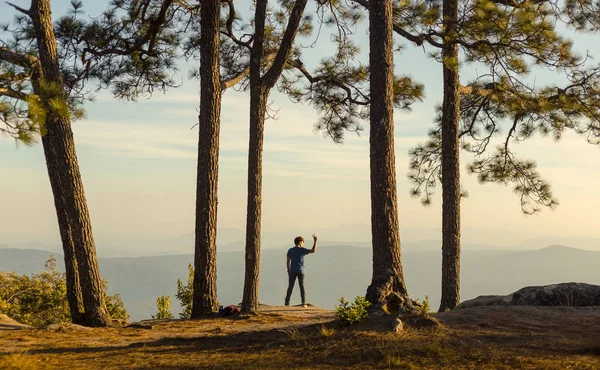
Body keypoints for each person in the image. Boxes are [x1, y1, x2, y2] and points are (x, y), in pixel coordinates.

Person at [285, 234, 318, 307]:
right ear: (300, 242)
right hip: (300, 270)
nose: (303, 243)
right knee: (302, 287)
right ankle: (303, 303)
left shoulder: (290, 250)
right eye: (303, 242)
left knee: (290, 286)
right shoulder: (302, 250)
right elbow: (313, 251)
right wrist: (315, 241)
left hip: (292, 270)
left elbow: (288, 262)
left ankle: (287, 303)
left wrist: (288, 270)